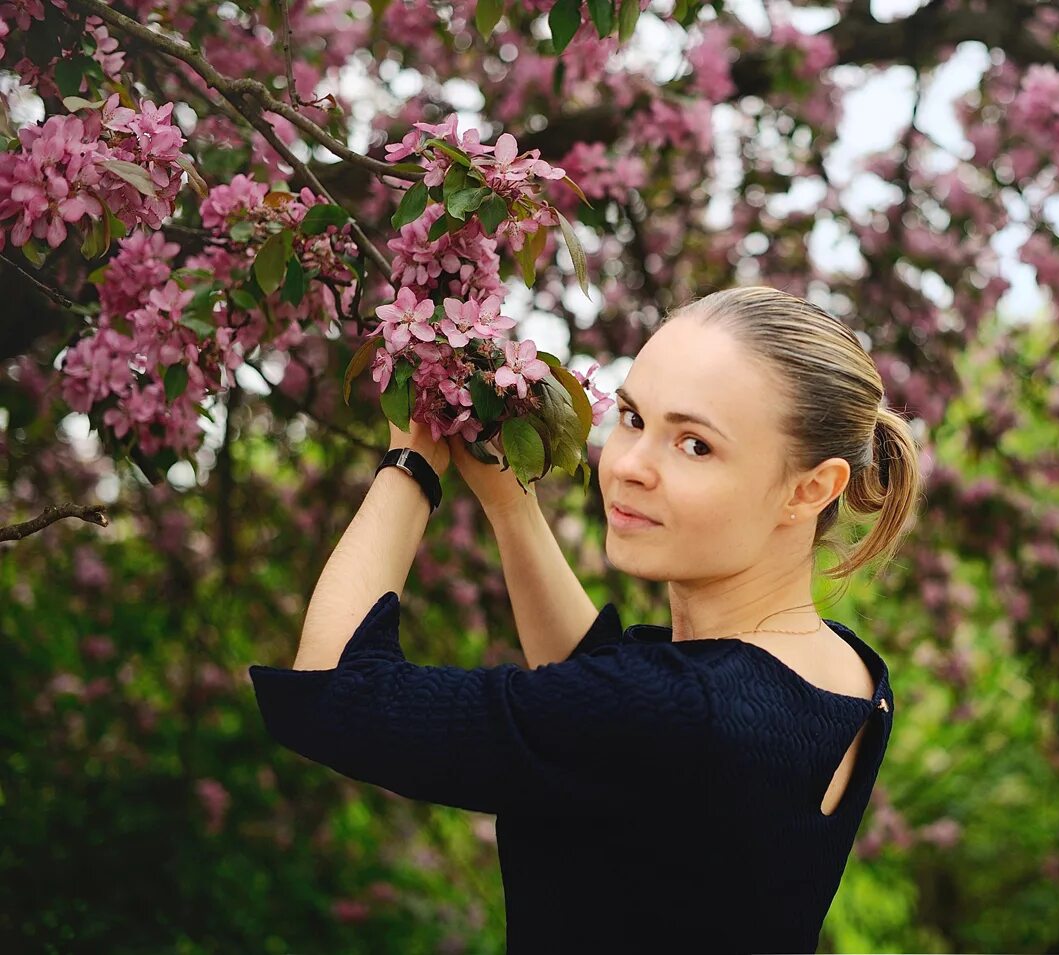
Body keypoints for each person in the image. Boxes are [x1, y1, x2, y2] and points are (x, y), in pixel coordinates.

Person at [249, 285, 924, 952]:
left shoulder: (675, 709)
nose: (629, 466)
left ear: (810, 489)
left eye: (694, 445)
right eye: (632, 418)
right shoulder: (849, 675)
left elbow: (334, 693)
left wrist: (411, 461)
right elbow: (611, 711)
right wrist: (512, 505)